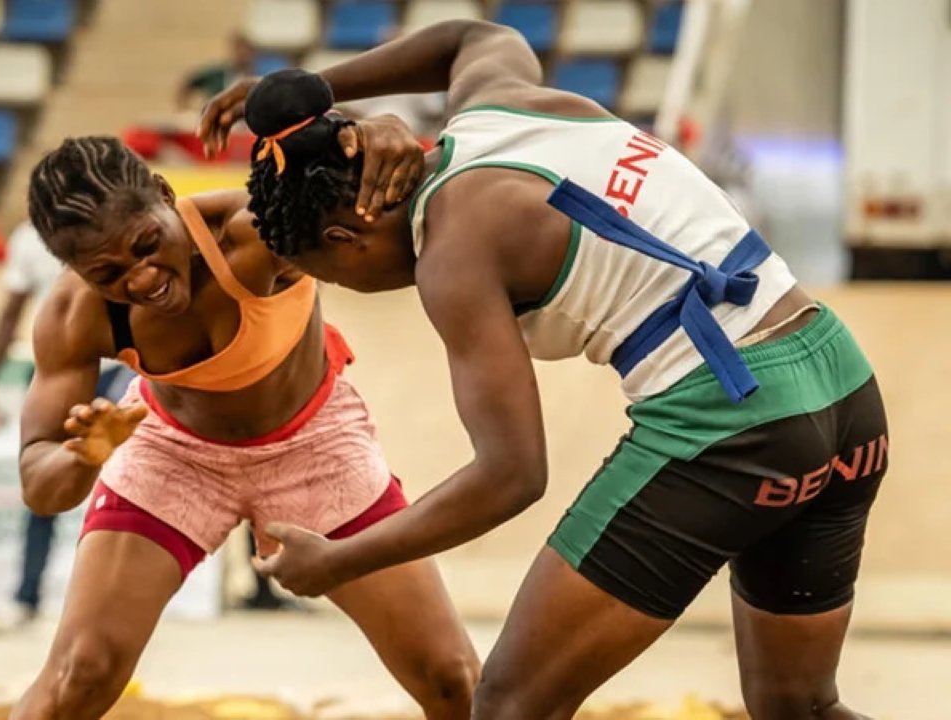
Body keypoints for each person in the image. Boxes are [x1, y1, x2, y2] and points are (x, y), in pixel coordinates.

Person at [200, 21, 889, 720]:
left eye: (333, 277)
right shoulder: (500, 103)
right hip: (842, 385)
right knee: (799, 706)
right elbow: (472, 34)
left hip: (732, 417)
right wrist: (321, 99)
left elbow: (511, 476)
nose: (353, 289)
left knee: (508, 705)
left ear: (346, 239)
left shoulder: (451, 253)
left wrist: (343, 558)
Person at [10, 125, 478, 719]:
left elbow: (389, 200)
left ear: (163, 191)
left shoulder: (256, 232)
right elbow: (38, 484)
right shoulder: (73, 315)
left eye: (149, 243)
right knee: (82, 673)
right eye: (109, 275)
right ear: (76, 272)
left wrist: (380, 134)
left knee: (450, 677)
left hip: (314, 444)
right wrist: (84, 455)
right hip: (171, 451)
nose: (143, 278)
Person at [0, 220, 134, 634]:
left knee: (123, 491)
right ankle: (27, 597)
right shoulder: (29, 237)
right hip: (57, 369)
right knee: (44, 484)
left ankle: (111, 608)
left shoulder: (124, 226)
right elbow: (11, 312)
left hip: (118, 369)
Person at [175, 33, 255, 111]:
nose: (243, 54)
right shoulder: (216, 74)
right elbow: (187, 84)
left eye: (246, 51)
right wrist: (184, 109)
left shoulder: (254, 78)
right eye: (239, 49)